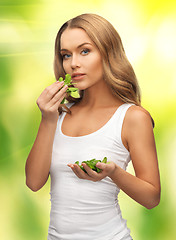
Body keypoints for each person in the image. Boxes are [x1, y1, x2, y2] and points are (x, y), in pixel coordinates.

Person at [25, 13, 161, 240]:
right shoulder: (59, 113)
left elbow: (151, 198)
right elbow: (34, 182)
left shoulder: (132, 117)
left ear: (108, 53)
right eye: (66, 55)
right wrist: (47, 118)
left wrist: (114, 173)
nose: (73, 63)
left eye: (85, 51)